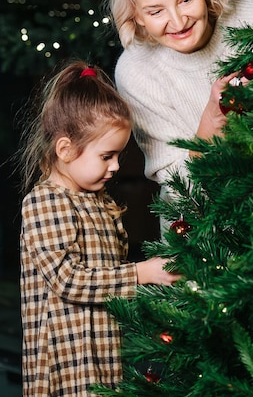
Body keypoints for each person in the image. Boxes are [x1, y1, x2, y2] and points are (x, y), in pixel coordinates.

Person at [19, 60, 180, 397]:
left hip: (105, 352)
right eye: (107, 156)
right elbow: (68, 280)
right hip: (68, 361)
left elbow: (109, 276)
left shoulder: (98, 200)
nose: (116, 166)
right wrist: (141, 273)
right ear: (65, 149)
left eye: (119, 155)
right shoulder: (44, 202)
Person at [108, 0, 253, 229]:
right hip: (202, 235)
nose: (178, 20)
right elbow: (179, 186)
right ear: (136, 15)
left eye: (185, 0)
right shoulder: (136, 71)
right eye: (156, 11)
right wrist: (211, 122)